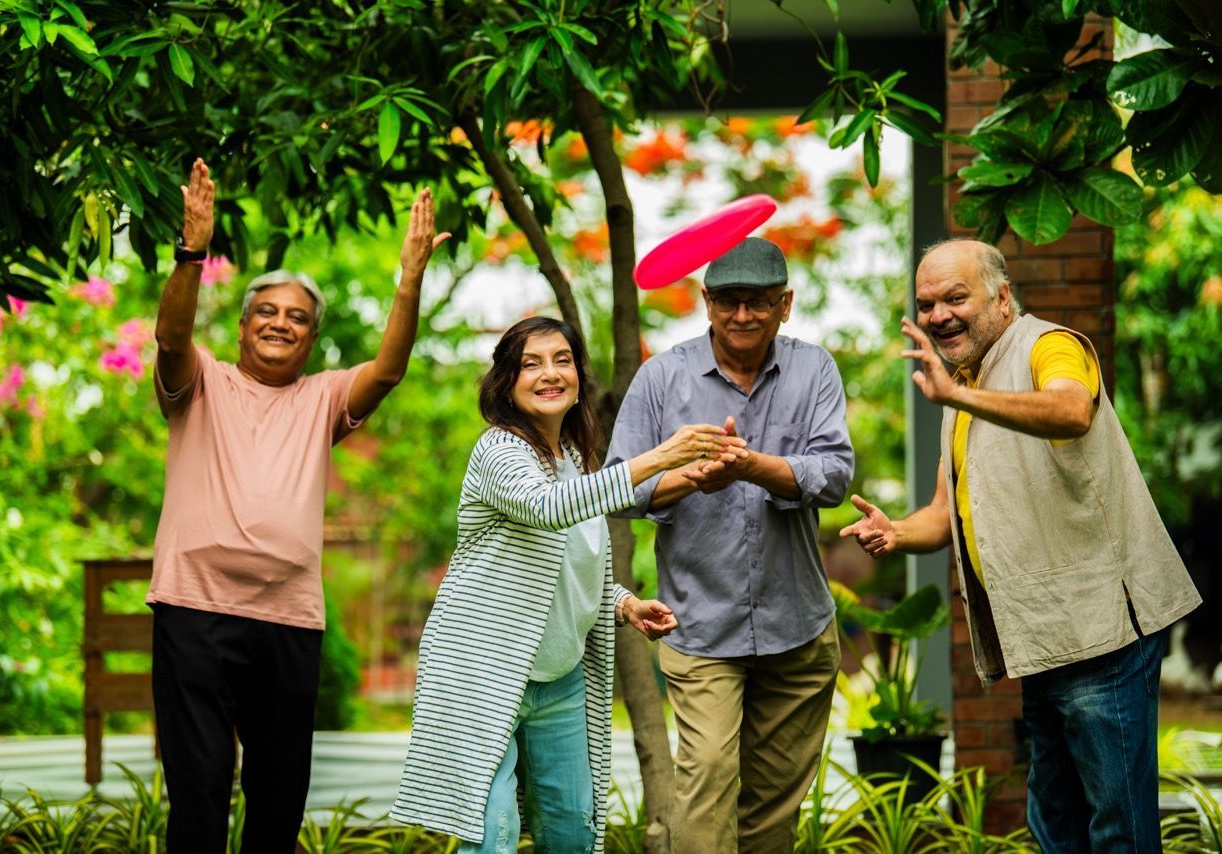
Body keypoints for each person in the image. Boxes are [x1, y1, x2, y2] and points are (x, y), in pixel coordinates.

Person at [840, 239, 1201, 853]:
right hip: (1042, 640)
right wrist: (896, 532)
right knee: (1055, 828)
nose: (939, 315)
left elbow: (1070, 409)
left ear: (1002, 297)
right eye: (927, 304)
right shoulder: (964, 385)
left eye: (957, 297)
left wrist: (957, 396)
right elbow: (944, 511)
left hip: (1103, 632)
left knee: (1119, 830)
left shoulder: (1047, 345)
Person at [148, 158, 449, 851]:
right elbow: (169, 339)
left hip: (288, 618)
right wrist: (193, 251)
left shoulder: (322, 399)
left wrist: (409, 281)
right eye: (267, 312)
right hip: (195, 609)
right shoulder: (200, 383)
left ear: (312, 340)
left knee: (278, 801)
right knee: (199, 788)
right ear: (243, 325)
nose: (280, 324)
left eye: (297, 318)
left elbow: (390, 371)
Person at [390, 316, 747, 853]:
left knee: (573, 833)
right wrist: (659, 458)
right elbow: (548, 510)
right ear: (505, 382)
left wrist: (623, 603)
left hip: (559, 677)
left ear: (579, 374)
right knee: (493, 837)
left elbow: (574, 559)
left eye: (562, 360)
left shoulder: (574, 459)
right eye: (530, 364)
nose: (549, 373)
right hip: (485, 671)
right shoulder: (499, 450)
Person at [605, 237, 854, 854]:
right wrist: (686, 477)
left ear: (786, 304)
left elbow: (835, 474)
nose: (743, 315)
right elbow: (620, 486)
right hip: (700, 624)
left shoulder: (814, 368)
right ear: (706, 302)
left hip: (796, 623)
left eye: (759, 302)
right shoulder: (661, 377)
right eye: (728, 301)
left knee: (774, 807)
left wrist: (752, 468)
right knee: (708, 779)